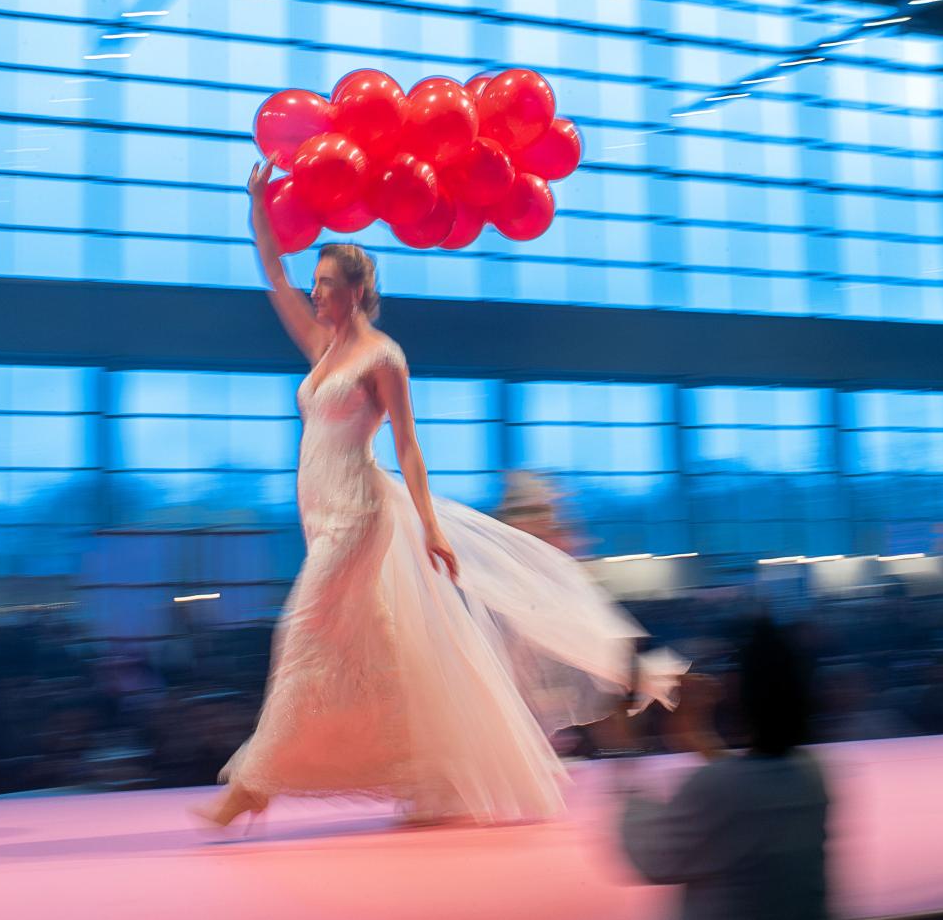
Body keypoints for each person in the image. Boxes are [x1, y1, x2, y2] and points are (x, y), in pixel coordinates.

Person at [194, 164, 681, 832]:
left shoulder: (382, 358)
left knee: (302, 631)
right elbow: (274, 275)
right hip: (320, 514)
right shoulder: (320, 350)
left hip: (360, 516)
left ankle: (253, 787)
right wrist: (256, 206)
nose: (315, 293)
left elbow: (409, 450)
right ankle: (430, 767)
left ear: (359, 292)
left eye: (328, 285)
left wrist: (429, 526)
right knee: (377, 647)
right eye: (317, 284)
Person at [618, 619, 830, 920]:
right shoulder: (812, 773)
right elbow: (751, 795)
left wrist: (622, 747)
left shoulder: (717, 784)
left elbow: (653, 860)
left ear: (741, 695)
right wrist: (699, 738)